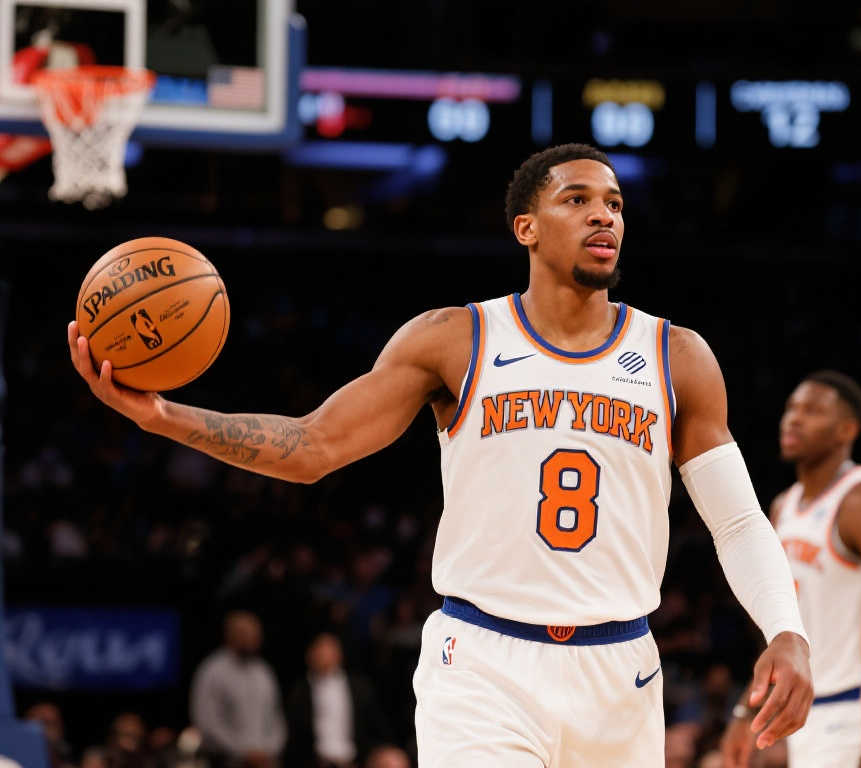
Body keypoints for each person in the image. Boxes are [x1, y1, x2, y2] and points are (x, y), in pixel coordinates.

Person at [69, 143, 812, 767]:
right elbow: (312, 445)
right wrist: (165, 417)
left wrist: (787, 630)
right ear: (525, 227)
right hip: (484, 663)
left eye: (614, 204)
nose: (603, 215)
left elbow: (739, 522)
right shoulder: (455, 340)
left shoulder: (677, 356)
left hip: (621, 673)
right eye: (577, 200)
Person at [721, 371, 861, 768]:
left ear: (846, 429)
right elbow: (779, 628)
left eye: (812, 411)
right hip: (804, 710)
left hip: (855, 706)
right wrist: (745, 710)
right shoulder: (782, 507)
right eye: (791, 408)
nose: (793, 419)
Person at [189, 611, 287, 768]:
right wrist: (243, 752)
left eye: (255, 633)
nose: (251, 638)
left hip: (265, 760)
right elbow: (207, 721)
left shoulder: (263, 671)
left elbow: (276, 717)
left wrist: (269, 750)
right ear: (230, 635)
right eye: (245, 633)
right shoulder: (213, 671)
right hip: (226, 760)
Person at [283, 633, 392, 767]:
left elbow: (377, 727)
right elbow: (294, 736)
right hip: (315, 762)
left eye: (329, 649)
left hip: (354, 761)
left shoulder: (359, 688)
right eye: (320, 650)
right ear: (309, 655)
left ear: (339, 653)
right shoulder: (299, 692)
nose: (324, 655)